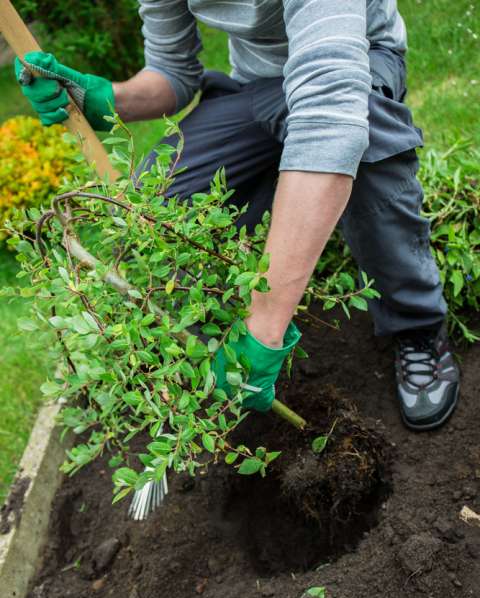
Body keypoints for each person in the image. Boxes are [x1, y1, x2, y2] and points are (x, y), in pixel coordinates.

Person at [15, 0, 460, 431]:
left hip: (360, 61)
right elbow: (173, 73)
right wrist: (103, 98)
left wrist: (266, 330)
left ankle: (417, 324)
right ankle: (229, 310)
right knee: (162, 200)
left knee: (364, 143)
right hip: (258, 84)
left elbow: (330, 116)